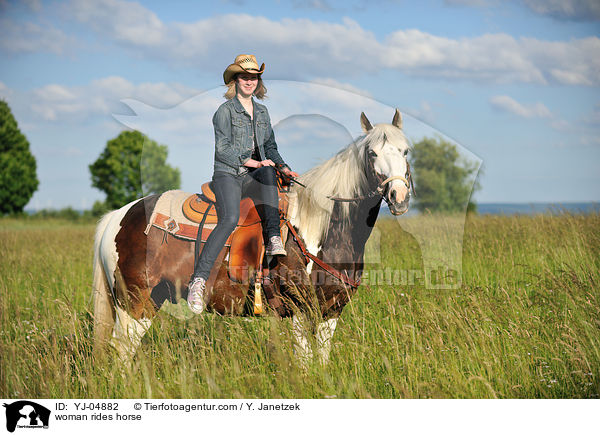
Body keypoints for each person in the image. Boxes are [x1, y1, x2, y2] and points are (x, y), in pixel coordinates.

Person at [187, 54, 299, 314]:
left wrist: (283, 167)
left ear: (258, 82)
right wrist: (253, 163)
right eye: (244, 77)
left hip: (255, 173)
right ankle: (199, 281)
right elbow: (223, 149)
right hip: (228, 173)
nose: (249, 81)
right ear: (235, 81)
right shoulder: (224, 111)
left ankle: (273, 237)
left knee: (273, 177)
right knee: (229, 219)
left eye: (253, 77)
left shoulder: (262, 111)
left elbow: (269, 146)